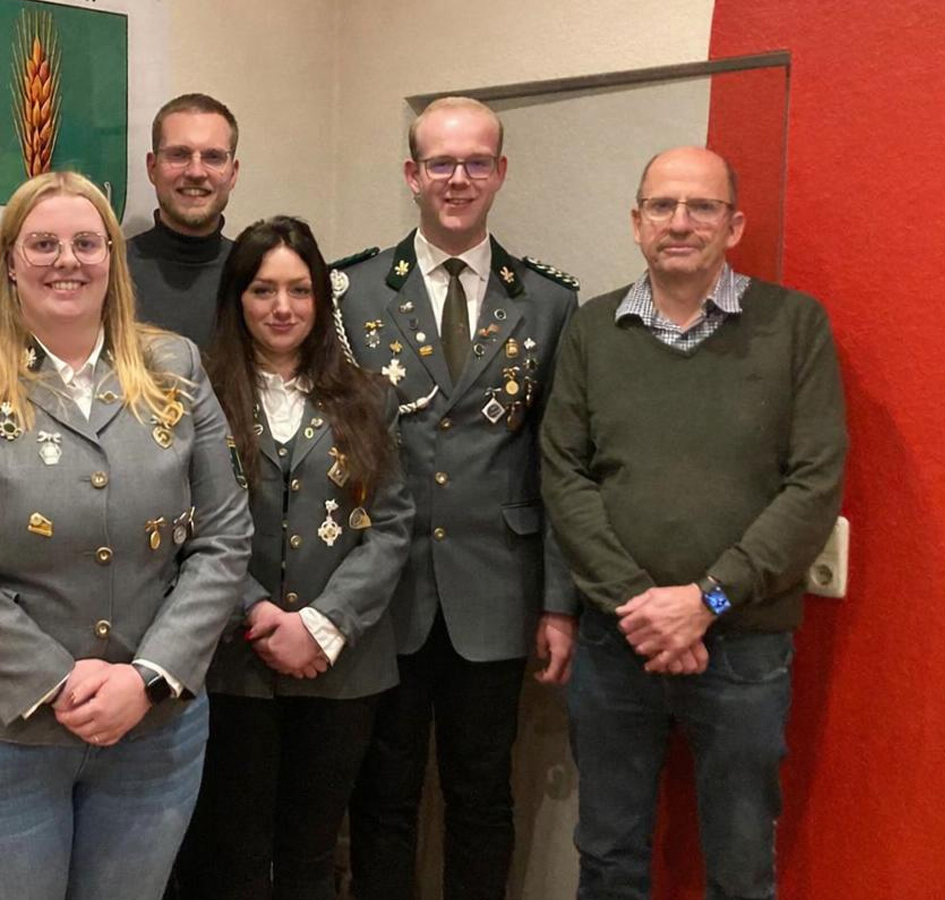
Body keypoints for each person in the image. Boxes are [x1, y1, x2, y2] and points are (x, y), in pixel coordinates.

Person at [0, 170, 253, 900]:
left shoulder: (175, 367)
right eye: (44, 244)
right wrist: (54, 681)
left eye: (88, 243)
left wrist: (148, 677)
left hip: (151, 731)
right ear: (9, 263)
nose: (67, 261)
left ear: (113, 259)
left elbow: (223, 536)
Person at [540, 146, 847, 900]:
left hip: (744, 646)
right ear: (636, 222)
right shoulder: (591, 329)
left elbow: (813, 485)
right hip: (617, 641)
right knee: (608, 859)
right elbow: (564, 474)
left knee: (741, 869)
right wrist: (639, 606)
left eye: (702, 207)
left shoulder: (795, 326)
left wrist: (705, 600)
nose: (680, 223)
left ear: (733, 226)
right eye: (662, 206)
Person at [335, 95, 579, 900]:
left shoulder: (546, 301)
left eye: (476, 162)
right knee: (384, 791)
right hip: (384, 589)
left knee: (481, 792)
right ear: (412, 174)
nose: (458, 178)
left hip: (495, 588)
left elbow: (558, 465)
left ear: (500, 172)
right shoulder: (351, 291)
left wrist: (558, 603)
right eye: (441, 163)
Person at [174, 216, 414, 900]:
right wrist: (258, 614)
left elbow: (391, 525)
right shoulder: (194, 397)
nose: (282, 307)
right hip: (230, 661)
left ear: (320, 299)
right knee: (230, 856)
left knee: (312, 856)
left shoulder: (369, 397)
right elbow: (185, 523)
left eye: (299, 290)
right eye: (263, 290)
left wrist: (321, 624)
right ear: (237, 298)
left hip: (340, 667)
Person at [127, 93, 240, 348]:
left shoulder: (256, 276)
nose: (196, 172)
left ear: (233, 174)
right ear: (152, 168)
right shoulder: (108, 273)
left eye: (213, 157)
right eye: (178, 155)